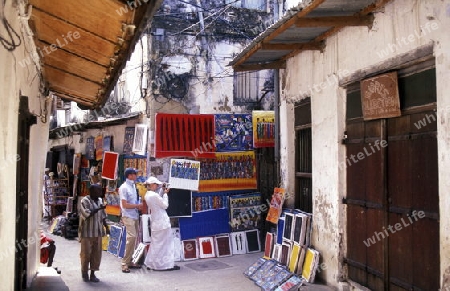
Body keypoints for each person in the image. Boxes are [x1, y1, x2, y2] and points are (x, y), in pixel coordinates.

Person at [144, 176, 180, 271]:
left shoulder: (147, 195)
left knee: (156, 244)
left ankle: (152, 263)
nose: (157, 186)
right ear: (151, 185)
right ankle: (165, 265)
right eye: (156, 184)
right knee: (166, 244)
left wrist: (162, 192)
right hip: (162, 221)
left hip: (156, 221)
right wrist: (165, 194)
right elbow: (165, 205)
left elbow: (157, 201)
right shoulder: (153, 195)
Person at [78, 184, 109, 282]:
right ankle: (84, 272)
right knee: (86, 254)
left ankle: (93, 273)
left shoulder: (100, 200)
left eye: (100, 191)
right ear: (91, 191)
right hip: (87, 232)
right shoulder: (84, 201)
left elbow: (103, 216)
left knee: (96, 254)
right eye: (98, 191)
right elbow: (86, 214)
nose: (100, 193)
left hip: (98, 231)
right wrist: (99, 208)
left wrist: (107, 227)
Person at [119, 167, 143, 273]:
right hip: (128, 215)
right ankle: (124, 263)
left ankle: (130, 261)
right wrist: (137, 206)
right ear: (130, 175)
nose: (136, 175)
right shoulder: (124, 187)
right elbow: (124, 205)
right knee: (132, 237)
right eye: (135, 174)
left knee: (133, 239)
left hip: (134, 215)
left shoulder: (133, 185)